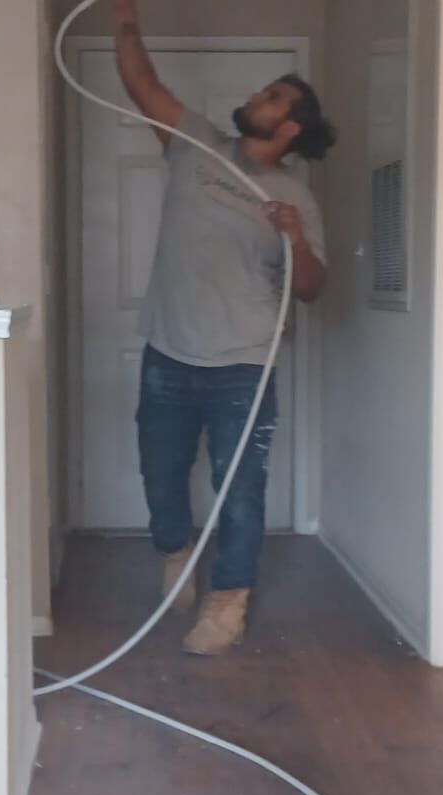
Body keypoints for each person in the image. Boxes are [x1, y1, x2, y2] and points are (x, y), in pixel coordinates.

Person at [109, 0, 336, 655]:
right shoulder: (196, 144)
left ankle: (227, 601)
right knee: (160, 475)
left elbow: (313, 289)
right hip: (169, 351)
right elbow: (141, 83)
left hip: (243, 364)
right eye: (262, 90)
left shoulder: (298, 198)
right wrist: (123, 17)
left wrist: (295, 240)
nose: (256, 96)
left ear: (288, 127)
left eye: (271, 96)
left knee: (240, 491)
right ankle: (174, 553)